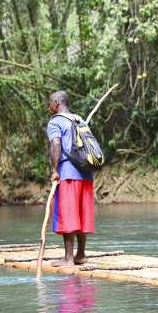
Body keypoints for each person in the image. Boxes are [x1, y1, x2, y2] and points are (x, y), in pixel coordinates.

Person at [47, 91, 95, 266]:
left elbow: (56, 144)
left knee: (68, 213)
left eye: (50, 103)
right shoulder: (79, 119)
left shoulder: (56, 122)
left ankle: (68, 258)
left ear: (57, 102)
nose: (48, 106)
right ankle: (80, 255)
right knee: (82, 213)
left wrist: (54, 170)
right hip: (86, 173)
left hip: (68, 173)